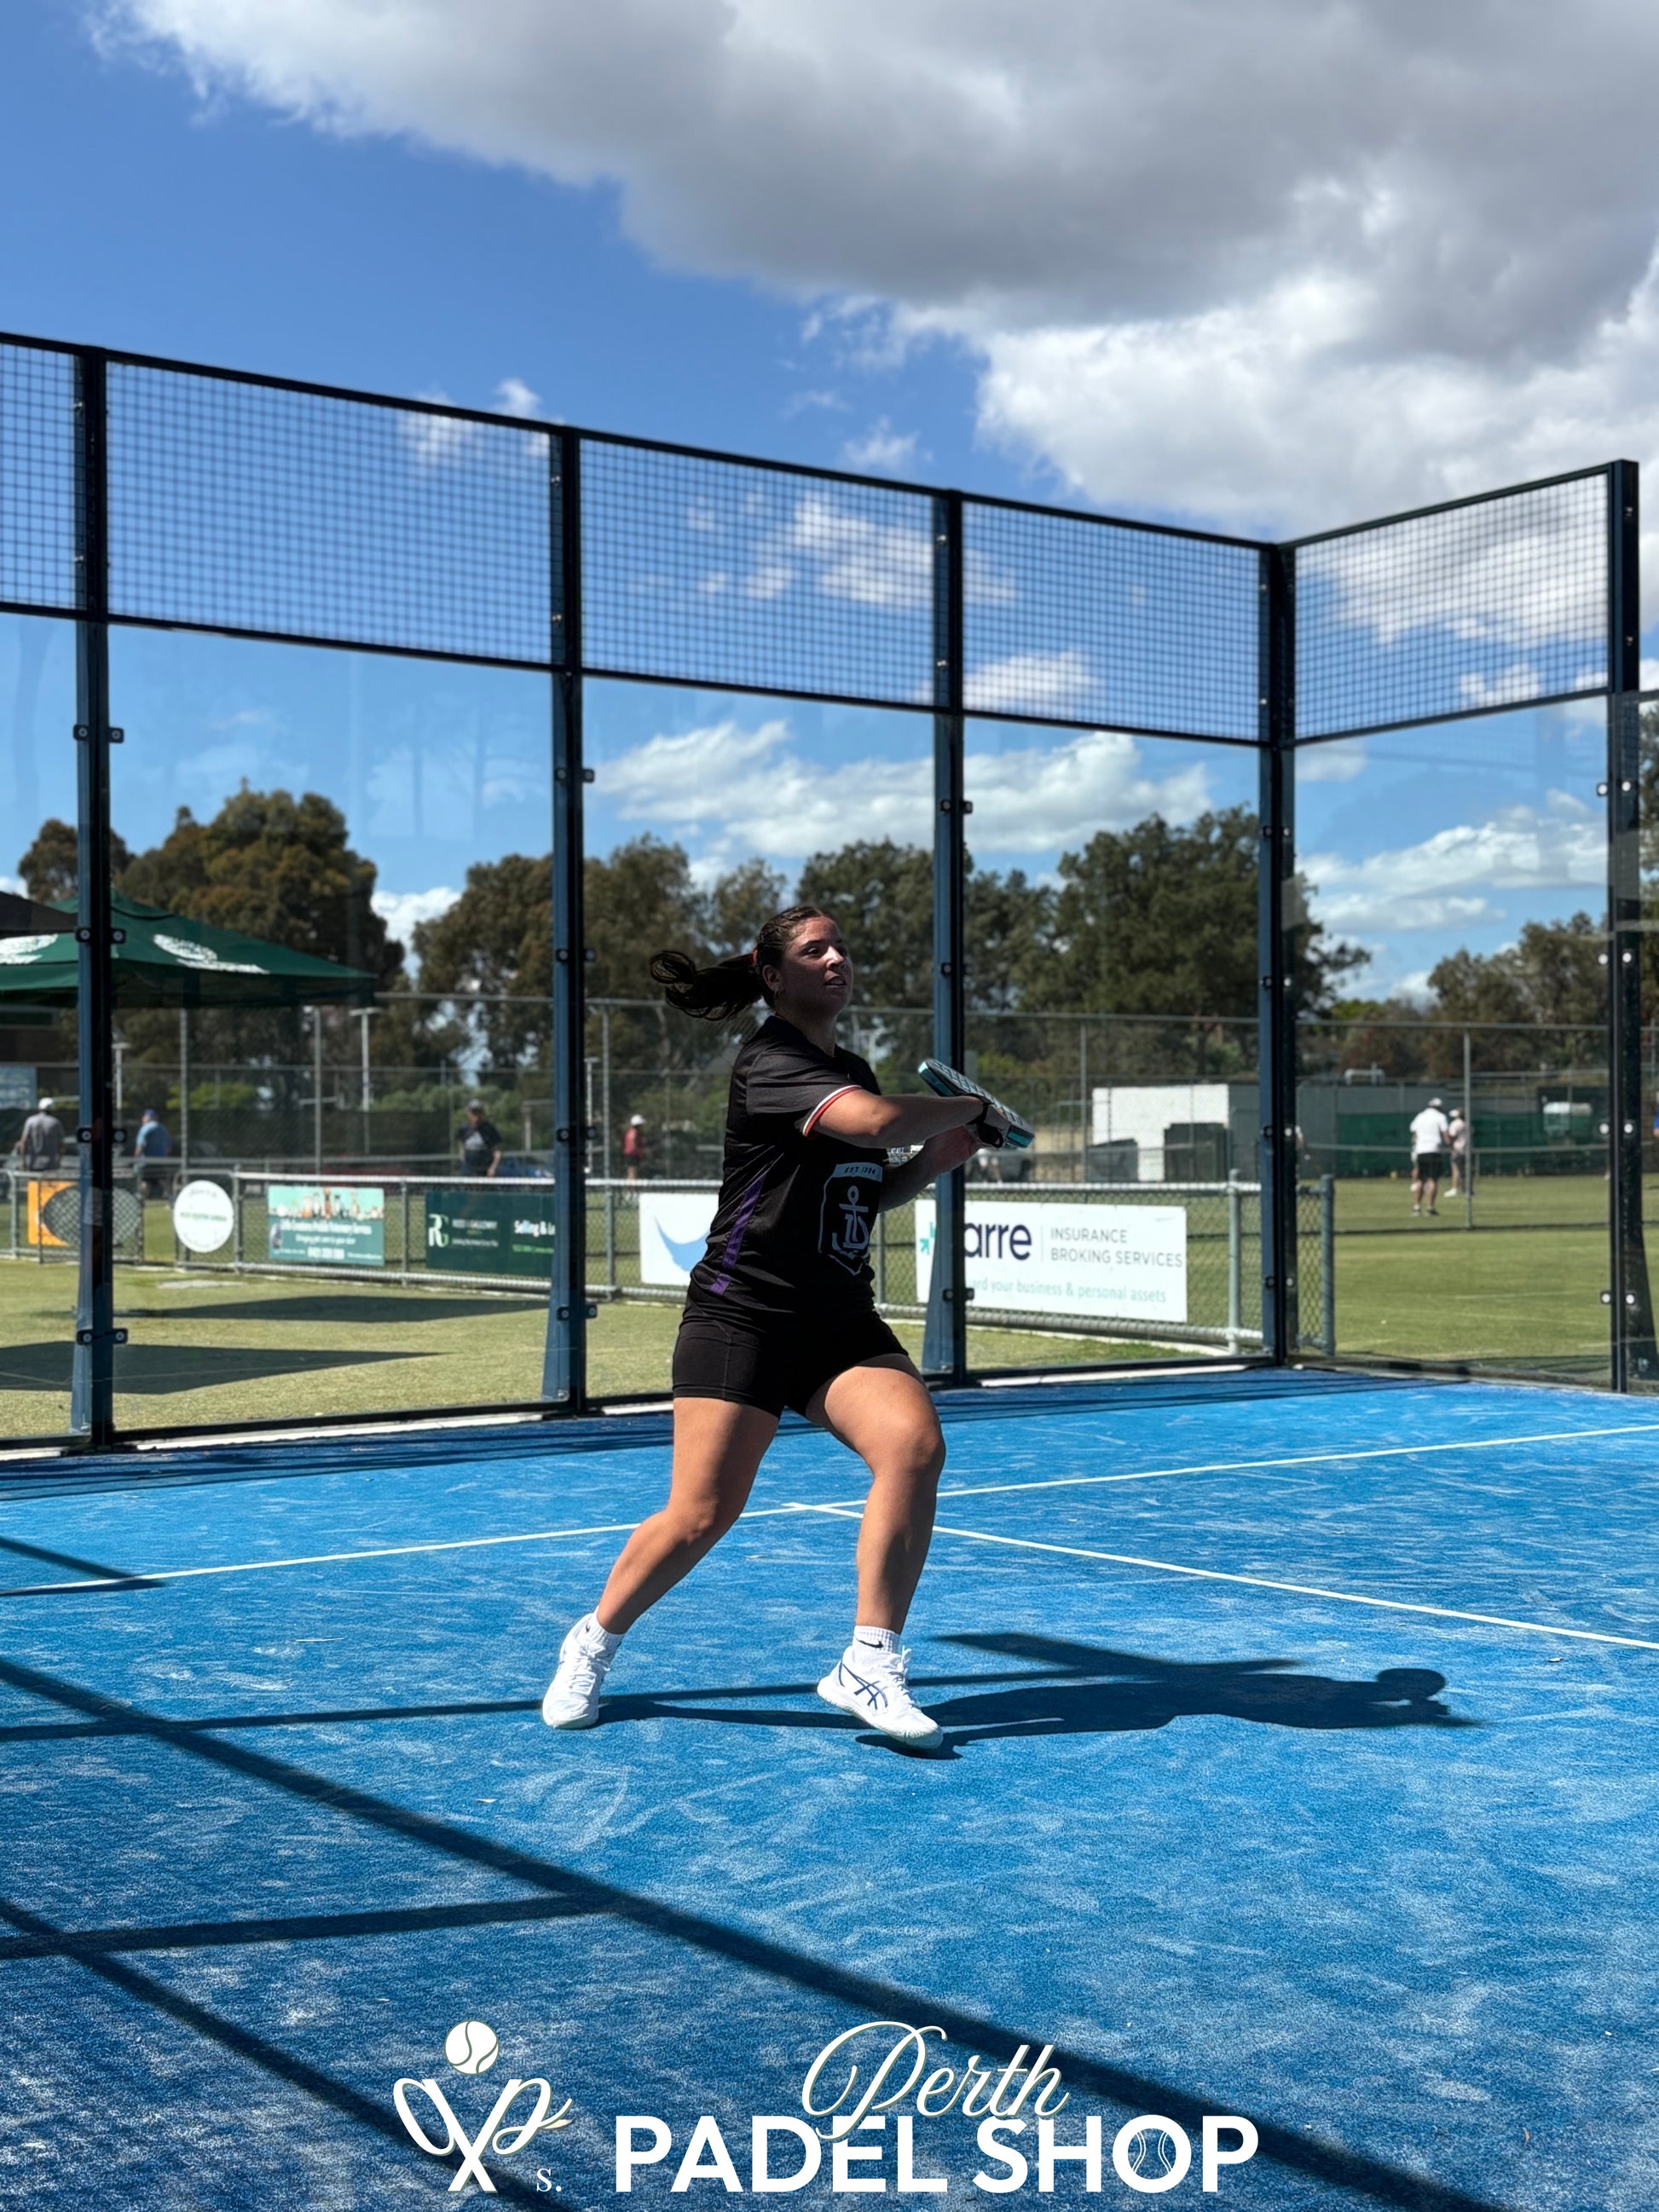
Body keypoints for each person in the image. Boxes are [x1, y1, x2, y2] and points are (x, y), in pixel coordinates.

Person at [540, 904, 996, 1752]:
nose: (836, 959)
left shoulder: (851, 1069)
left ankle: (869, 1661)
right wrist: (964, 1105)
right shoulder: (771, 1062)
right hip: (741, 1315)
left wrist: (938, 1156)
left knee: (913, 1447)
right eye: (815, 950)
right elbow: (878, 1123)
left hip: (836, 1320)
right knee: (701, 1514)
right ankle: (592, 1642)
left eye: (841, 947)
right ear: (774, 975)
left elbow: (866, 1186)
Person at [1409, 1094, 1451, 1216]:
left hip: (1421, 1150)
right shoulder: (1441, 1117)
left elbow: (1414, 1134)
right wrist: (1450, 1144)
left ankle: (1417, 1207)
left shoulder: (1420, 1116)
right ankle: (1430, 1208)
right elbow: (1446, 1135)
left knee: (1420, 1180)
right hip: (1433, 1150)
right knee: (1433, 1180)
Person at [132, 1106, 171, 1198]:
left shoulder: (145, 1129)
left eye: (145, 1117)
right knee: (161, 1180)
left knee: (144, 1180)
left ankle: (141, 1200)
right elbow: (168, 1148)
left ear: (149, 1118)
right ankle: (171, 1198)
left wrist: (135, 1158)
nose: (143, 1118)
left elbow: (140, 1146)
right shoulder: (163, 1129)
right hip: (160, 1161)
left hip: (147, 1161)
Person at [457, 1100, 502, 1178]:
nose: (476, 1116)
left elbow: (498, 1151)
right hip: (469, 1171)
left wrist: (493, 1168)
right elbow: (461, 1145)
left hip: (485, 1170)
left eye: (479, 1112)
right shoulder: (464, 1129)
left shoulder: (489, 1129)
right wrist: (463, 1160)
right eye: (473, 1112)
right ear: (468, 1113)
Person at [20, 1095, 64, 1175]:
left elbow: (23, 1142)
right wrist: (59, 1161)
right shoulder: (55, 1123)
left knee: (33, 1182)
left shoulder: (30, 1121)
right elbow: (61, 1145)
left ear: (39, 1108)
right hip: (51, 1164)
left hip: (33, 1163)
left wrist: (23, 1162)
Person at [1447, 1109, 1470, 1198]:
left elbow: (1452, 1136)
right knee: (1465, 1170)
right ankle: (1467, 1189)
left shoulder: (1456, 1124)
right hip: (1465, 1149)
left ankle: (1455, 1188)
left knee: (1456, 1169)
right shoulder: (1466, 1124)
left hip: (1457, 1149)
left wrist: (1451, 1145)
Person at [622, 1112, 648, 1182]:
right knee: (632, 1171)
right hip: (632, 1155)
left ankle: (632, 1186)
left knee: (633, 1171)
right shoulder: (634, 1132)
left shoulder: (633, 1132)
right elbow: (632, 1141)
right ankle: (631, 1187)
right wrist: (638, 1152)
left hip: (632, 1154)